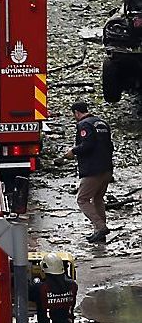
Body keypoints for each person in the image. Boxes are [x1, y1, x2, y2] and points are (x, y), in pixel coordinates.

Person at [62, 101, 114, 243]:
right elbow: (110, 146)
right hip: (106, 169)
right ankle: (99, 233)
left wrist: (73, 151)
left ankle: (101, 227)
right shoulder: (102, 123)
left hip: (93, 171)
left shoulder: (84, 125)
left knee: (82, 199)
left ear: (76, 113)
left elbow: (87, 145)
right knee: (97, 199)